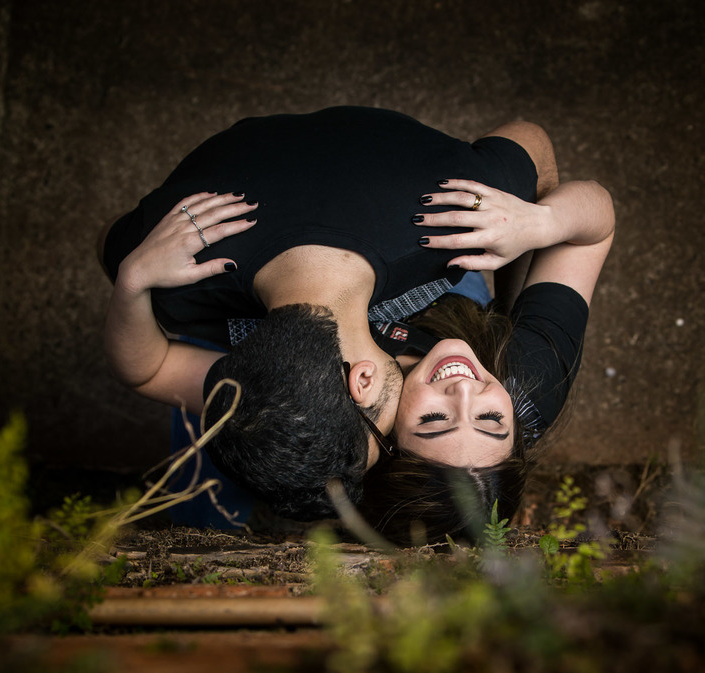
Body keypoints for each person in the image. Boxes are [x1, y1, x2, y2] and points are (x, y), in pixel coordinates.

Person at [97, 107, 554, 520]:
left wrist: (524, 229)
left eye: (387, 437)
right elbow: (140, 350)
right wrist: (133, 275)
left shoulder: (462, 217)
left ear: (363, 381)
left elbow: (530, 139)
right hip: (235, 159)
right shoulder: (169, 274)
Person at [359, 176, 616, 543]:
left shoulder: (328, 407)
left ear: (381, 445)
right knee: (521, 170)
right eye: (491, 418)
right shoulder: (528, 387)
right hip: (451, 291)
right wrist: (536, 223)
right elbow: (596, 225)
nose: (465, 391)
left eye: (434, 419)